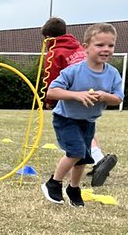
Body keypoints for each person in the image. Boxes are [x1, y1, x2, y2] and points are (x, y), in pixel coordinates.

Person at [41, 23, 123, 207]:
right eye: (100, 45)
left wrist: (104, 96)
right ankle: (53, 183)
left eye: (110, 45)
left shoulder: (112, 74)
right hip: (66, 119)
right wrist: (77, 95)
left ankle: (74, 188)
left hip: (88, 121)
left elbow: (118, 98)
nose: (106, 50)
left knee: (84, 158)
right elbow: (52, 92)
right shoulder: (74, 70)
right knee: (76, 152)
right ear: (85, 48)